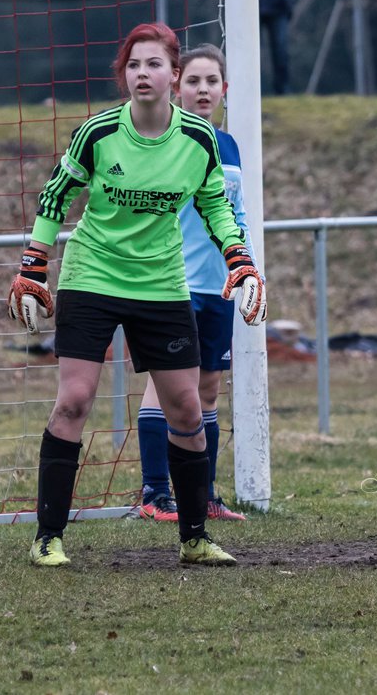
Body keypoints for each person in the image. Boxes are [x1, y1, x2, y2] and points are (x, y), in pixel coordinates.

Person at [8, 23, 266, 568]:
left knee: (187, 406)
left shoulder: (198, 141)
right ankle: (48, 538)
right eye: (132, 65)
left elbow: (216, 206)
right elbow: (56, 196)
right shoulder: (98, 133)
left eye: (152, 65)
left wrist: (239, 260)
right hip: (92, 278)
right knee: (73, 401)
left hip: (161, 285)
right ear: (124, 75)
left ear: (173, 75)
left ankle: (194, 536)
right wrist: (34, 264)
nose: (141, 74)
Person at [135, 44, 248, 523]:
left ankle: (202, 495)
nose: (204, 90)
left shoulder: (229, 146)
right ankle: (155, 494)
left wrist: (247, 269)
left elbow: (235, 215)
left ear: (225, 89)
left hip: (217, 289)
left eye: (212, 82)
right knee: (164, 390)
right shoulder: (167, 139)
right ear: (177, 87)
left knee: (207, 392)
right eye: (194, 81)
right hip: (170, 285)